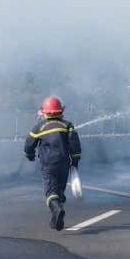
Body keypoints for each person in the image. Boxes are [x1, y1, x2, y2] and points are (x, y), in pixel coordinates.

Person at [23, 97, 82, 231]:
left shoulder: (39, 127)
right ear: (60, 111)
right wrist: (75, 161)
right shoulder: (67, 125)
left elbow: (28, 145)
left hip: (48, 164)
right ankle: (55, 219)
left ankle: (56, 209)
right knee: (59, 191)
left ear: (45, 112)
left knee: (50, 191)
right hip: (64, 164)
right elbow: (75, 145)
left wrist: (30, 156)